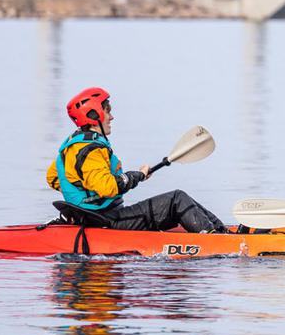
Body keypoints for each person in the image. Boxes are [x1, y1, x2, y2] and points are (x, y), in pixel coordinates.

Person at [46, 87, 227, 233]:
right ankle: (217, 239)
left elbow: (54, 177)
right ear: (94, 116)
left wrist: (84, 198)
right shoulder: (91, 150)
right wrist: (136, 176)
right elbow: (107, 187)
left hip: (95, 218)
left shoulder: (73, 145)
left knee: (179, 200)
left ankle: (220, 231)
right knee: (177, 199)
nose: (112, 117)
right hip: (107, 221)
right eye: (107, 112)